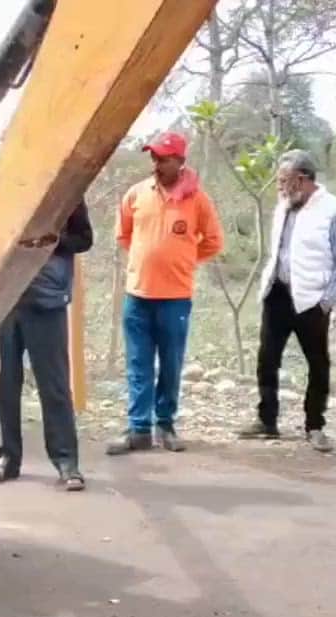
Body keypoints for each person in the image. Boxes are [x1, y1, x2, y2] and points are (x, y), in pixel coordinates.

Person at [106, 130, 224, 456]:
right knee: (137, 363)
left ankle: (165, 424)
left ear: (180, 161)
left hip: (175, 298)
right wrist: (148, 260)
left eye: (164, 158)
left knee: (170, 363)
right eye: (154, 157)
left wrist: (183, 261)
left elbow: (213, 241)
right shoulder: (136, 194)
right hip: (137, 296)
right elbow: (124, 235)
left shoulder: (197, 199)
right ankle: (138, 428)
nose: (156, 164)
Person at [238, 149, 336, 453]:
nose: (279, 187)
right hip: (277, 293)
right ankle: (267, 420)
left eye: (284, 181)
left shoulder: (335, 210)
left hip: (312, 300)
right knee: (267, 359)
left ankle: (314, 426)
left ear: (302, 180)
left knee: (317, 364)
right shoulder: (284, 205)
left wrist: (328, 301)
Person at [0, 199, 93, 491]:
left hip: (47, 300)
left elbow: (84, 240)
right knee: (6, 385)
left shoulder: (69, 193)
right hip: (7, 299)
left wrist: (49, 243)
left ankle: (66, 462)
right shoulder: (8, 189)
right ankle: (8, 459)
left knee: (54, 386)